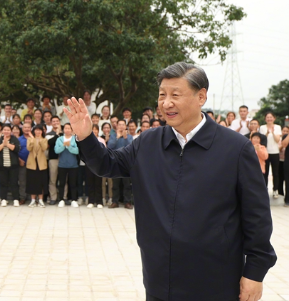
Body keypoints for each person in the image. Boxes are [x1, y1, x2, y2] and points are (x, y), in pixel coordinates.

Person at [67, 62, 276, 301]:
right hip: (160, 279)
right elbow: (107, 163)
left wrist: (255, 272)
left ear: (201, 96)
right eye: (162, 95)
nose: (166, 103)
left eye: (175, 95)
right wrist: (85, 136)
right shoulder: (147, 143)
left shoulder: (236, 149)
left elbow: (257, 216)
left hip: (216, 281)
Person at [108, 120, 133, 209]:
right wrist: (117, 137)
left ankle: (127, 202)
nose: (121, 126)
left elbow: (130, 148)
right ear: (117, 126)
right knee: (115, 184)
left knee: (127, 185)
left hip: (126, 163)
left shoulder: (129, 137)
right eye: (120, 125)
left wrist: (125, 138)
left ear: (126, 126)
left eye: (123, 125)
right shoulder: (113, 136)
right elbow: (110, 147)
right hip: (116, 163)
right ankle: (115, 202)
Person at [0, 124, 21, 207]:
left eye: (8, 130)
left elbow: (16, 149)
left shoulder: (14, 139)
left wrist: (7, 144)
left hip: (13, 166)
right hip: (2, 166)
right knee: (3, 183)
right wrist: (3, 144)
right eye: (5, 130)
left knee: (14, 183)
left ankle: (16, 199)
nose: (6, 131)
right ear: (2, 131)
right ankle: (3, 199)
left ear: (11, 131)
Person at [55, 123, 80, 208]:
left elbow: (77, 151)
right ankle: (61, 199)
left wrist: (69, 146)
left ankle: (74, 200)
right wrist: (63, 145)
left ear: (72, 130)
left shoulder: (75, 139)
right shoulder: (59, 139)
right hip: (62, 165)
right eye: (66, 128)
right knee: (61, 183)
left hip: (73, 165)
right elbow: (56, 150)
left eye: (69, 128)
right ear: (63, 130)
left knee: (73, 184)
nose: (67, 130)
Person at [25, 124, 49, 208]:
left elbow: (44, 148)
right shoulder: (29, 139)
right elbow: (29, 148)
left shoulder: (44, 139)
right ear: (33, 131)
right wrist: (32, 139)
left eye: (40, 130)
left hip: (41, 163)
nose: (38, 132)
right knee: (32, 182)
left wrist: (39, 140)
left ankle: (41, 200)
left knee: (41, 182)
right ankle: (32, 200)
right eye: (36, 130)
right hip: (32, 163)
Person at [259, 112, 282, 196]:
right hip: (265, 152)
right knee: (265, 172)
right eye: (267, 117)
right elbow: (261, 140)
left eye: (271, 117)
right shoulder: (262, 127)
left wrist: (272, 132)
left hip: (275, 152)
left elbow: (277, 140)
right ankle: (265, 189)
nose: (269, 119)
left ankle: (275, 189)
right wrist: (267, 133)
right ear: (265, 119)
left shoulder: (278, 127)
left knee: (275, 173)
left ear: (274, 118)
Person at [85, 124, 105, 209]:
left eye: (96, 129)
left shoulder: (101, 140)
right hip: (89, 164)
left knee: (98, 183)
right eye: (93, 129)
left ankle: (99, 201)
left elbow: (104, 151)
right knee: (90, 183)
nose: (95, 131)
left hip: (99, 164)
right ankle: (91, 201)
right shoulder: (86, 140)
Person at [46, 116, 63, 205]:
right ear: (51, 123)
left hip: (64, 159)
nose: (55, 123)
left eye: (57, 121)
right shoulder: (49, 133)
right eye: (54, 121)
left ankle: (64, 197)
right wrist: (56, 134)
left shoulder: (65, 132)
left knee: (64, 180)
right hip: (53, 159)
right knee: (52, 180)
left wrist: (60, 133)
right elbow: (50, 143)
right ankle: (53, 197)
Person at [17, 123, 31, 204]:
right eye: (25, 127)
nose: (26, 129)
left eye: (28, 127)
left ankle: (33, 198)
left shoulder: (34, 138)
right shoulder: (19, 139)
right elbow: (15, 151)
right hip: (22, 163)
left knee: (33, 181)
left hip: (33, 164)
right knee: (22, 182)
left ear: (31, 128)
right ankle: (22, 197)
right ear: (22, 129)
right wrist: (19, 160)